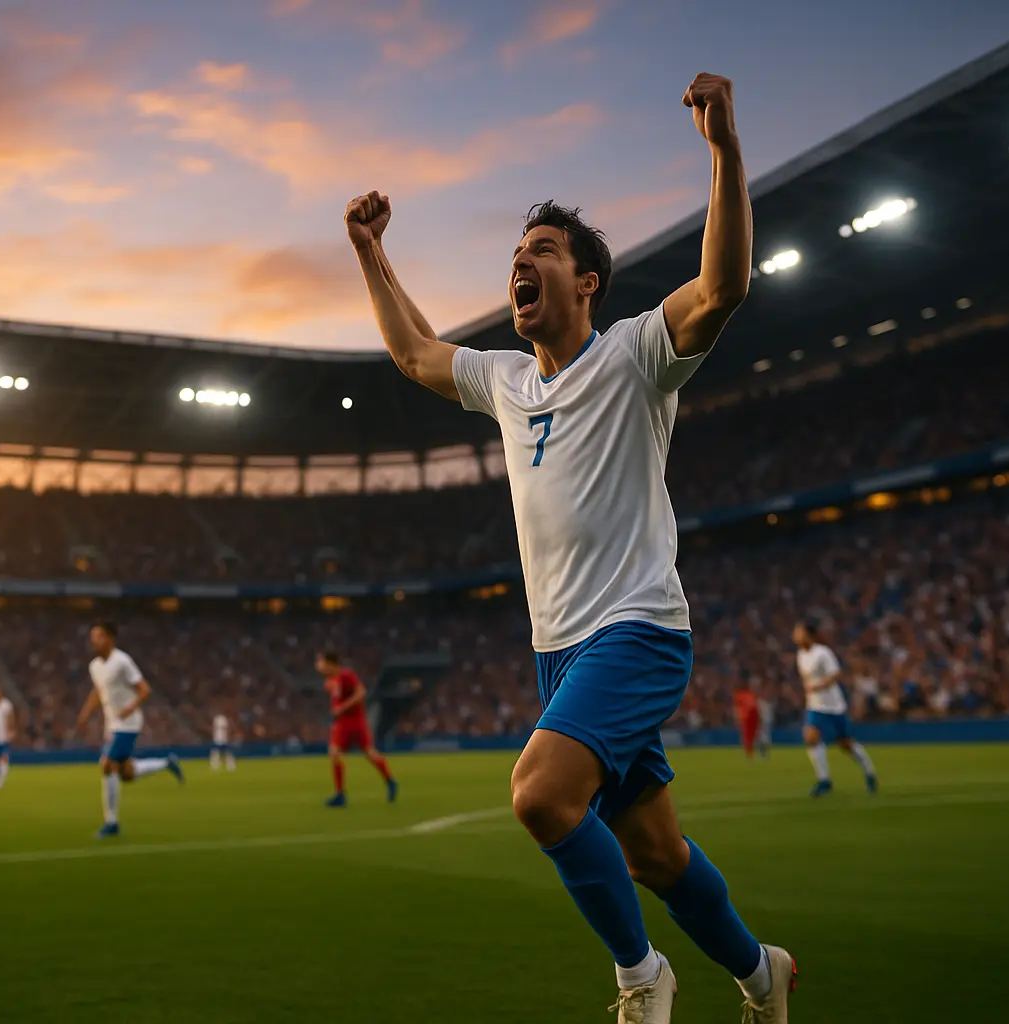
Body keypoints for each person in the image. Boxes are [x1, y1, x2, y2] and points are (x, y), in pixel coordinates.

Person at [347, 73, 793, 1022]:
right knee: (657, 856)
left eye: (542, 250)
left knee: (541, 797)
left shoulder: (635, 354)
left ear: (585, 281)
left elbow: (724, 288)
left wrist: (721, 148)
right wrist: (371, 253)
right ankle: (764, 976)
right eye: (517, 252)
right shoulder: (507, 381)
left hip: (636, 629)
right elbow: (417, 354)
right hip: (558, 652)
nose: (523, 261)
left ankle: (642, 977)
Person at [75, 622, 183, 839]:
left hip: (128, 724)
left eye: (98, 636)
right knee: (125, 773)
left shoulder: (122, 661)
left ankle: (111, 823)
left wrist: (130, 707)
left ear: (110, 639)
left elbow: (145, 690)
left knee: (107, 765)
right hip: (112, 725)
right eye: (92, 636)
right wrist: (86, 713)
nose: (93, 640)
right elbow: (98, 691)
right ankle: (166, 763)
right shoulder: (94, 666)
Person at [794, 621, 878, 797]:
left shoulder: (823, 653)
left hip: (834, 706)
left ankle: (869, 772)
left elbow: (835, 675)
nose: (795, 636)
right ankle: (824, 780)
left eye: (799, 632)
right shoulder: (800, 655)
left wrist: (818, 686)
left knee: (845, 744)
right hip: (815, 706)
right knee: (810, 736)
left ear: (810, 636)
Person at [314, 650, 396, 807]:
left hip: (355, 721)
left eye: (320, 662)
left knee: (369, 753)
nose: (318, 666)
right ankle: (340, 794)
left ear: (330, 663)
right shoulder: (331, 681)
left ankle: (390, 781)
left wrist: (342, 708)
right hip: (341, 723)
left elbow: (360, 693)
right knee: (334, 753)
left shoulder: (346, 675)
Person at [732, 678, 768, 760]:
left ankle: (757, 753)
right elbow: (738, 708)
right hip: (747, 718)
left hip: (750, 717)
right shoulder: (743, 695)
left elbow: (754, 707)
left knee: (755, 737)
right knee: (749, 737)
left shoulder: (748, 695)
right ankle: (751, 754)